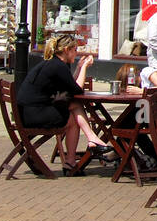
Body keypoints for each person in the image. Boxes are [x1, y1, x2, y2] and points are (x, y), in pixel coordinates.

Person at [16, 33, 109, 171]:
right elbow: (77, 90)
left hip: (26, 112)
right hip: (34, 115)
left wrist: (78, 67)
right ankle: (74, 157)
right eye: (75, 50)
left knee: (74, 105)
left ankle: (89, 142)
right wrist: (83, 68)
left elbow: (70, 87)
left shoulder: (54, 64)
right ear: (66, 50)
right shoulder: (58, 66)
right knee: (72, 120)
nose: (76, 53)